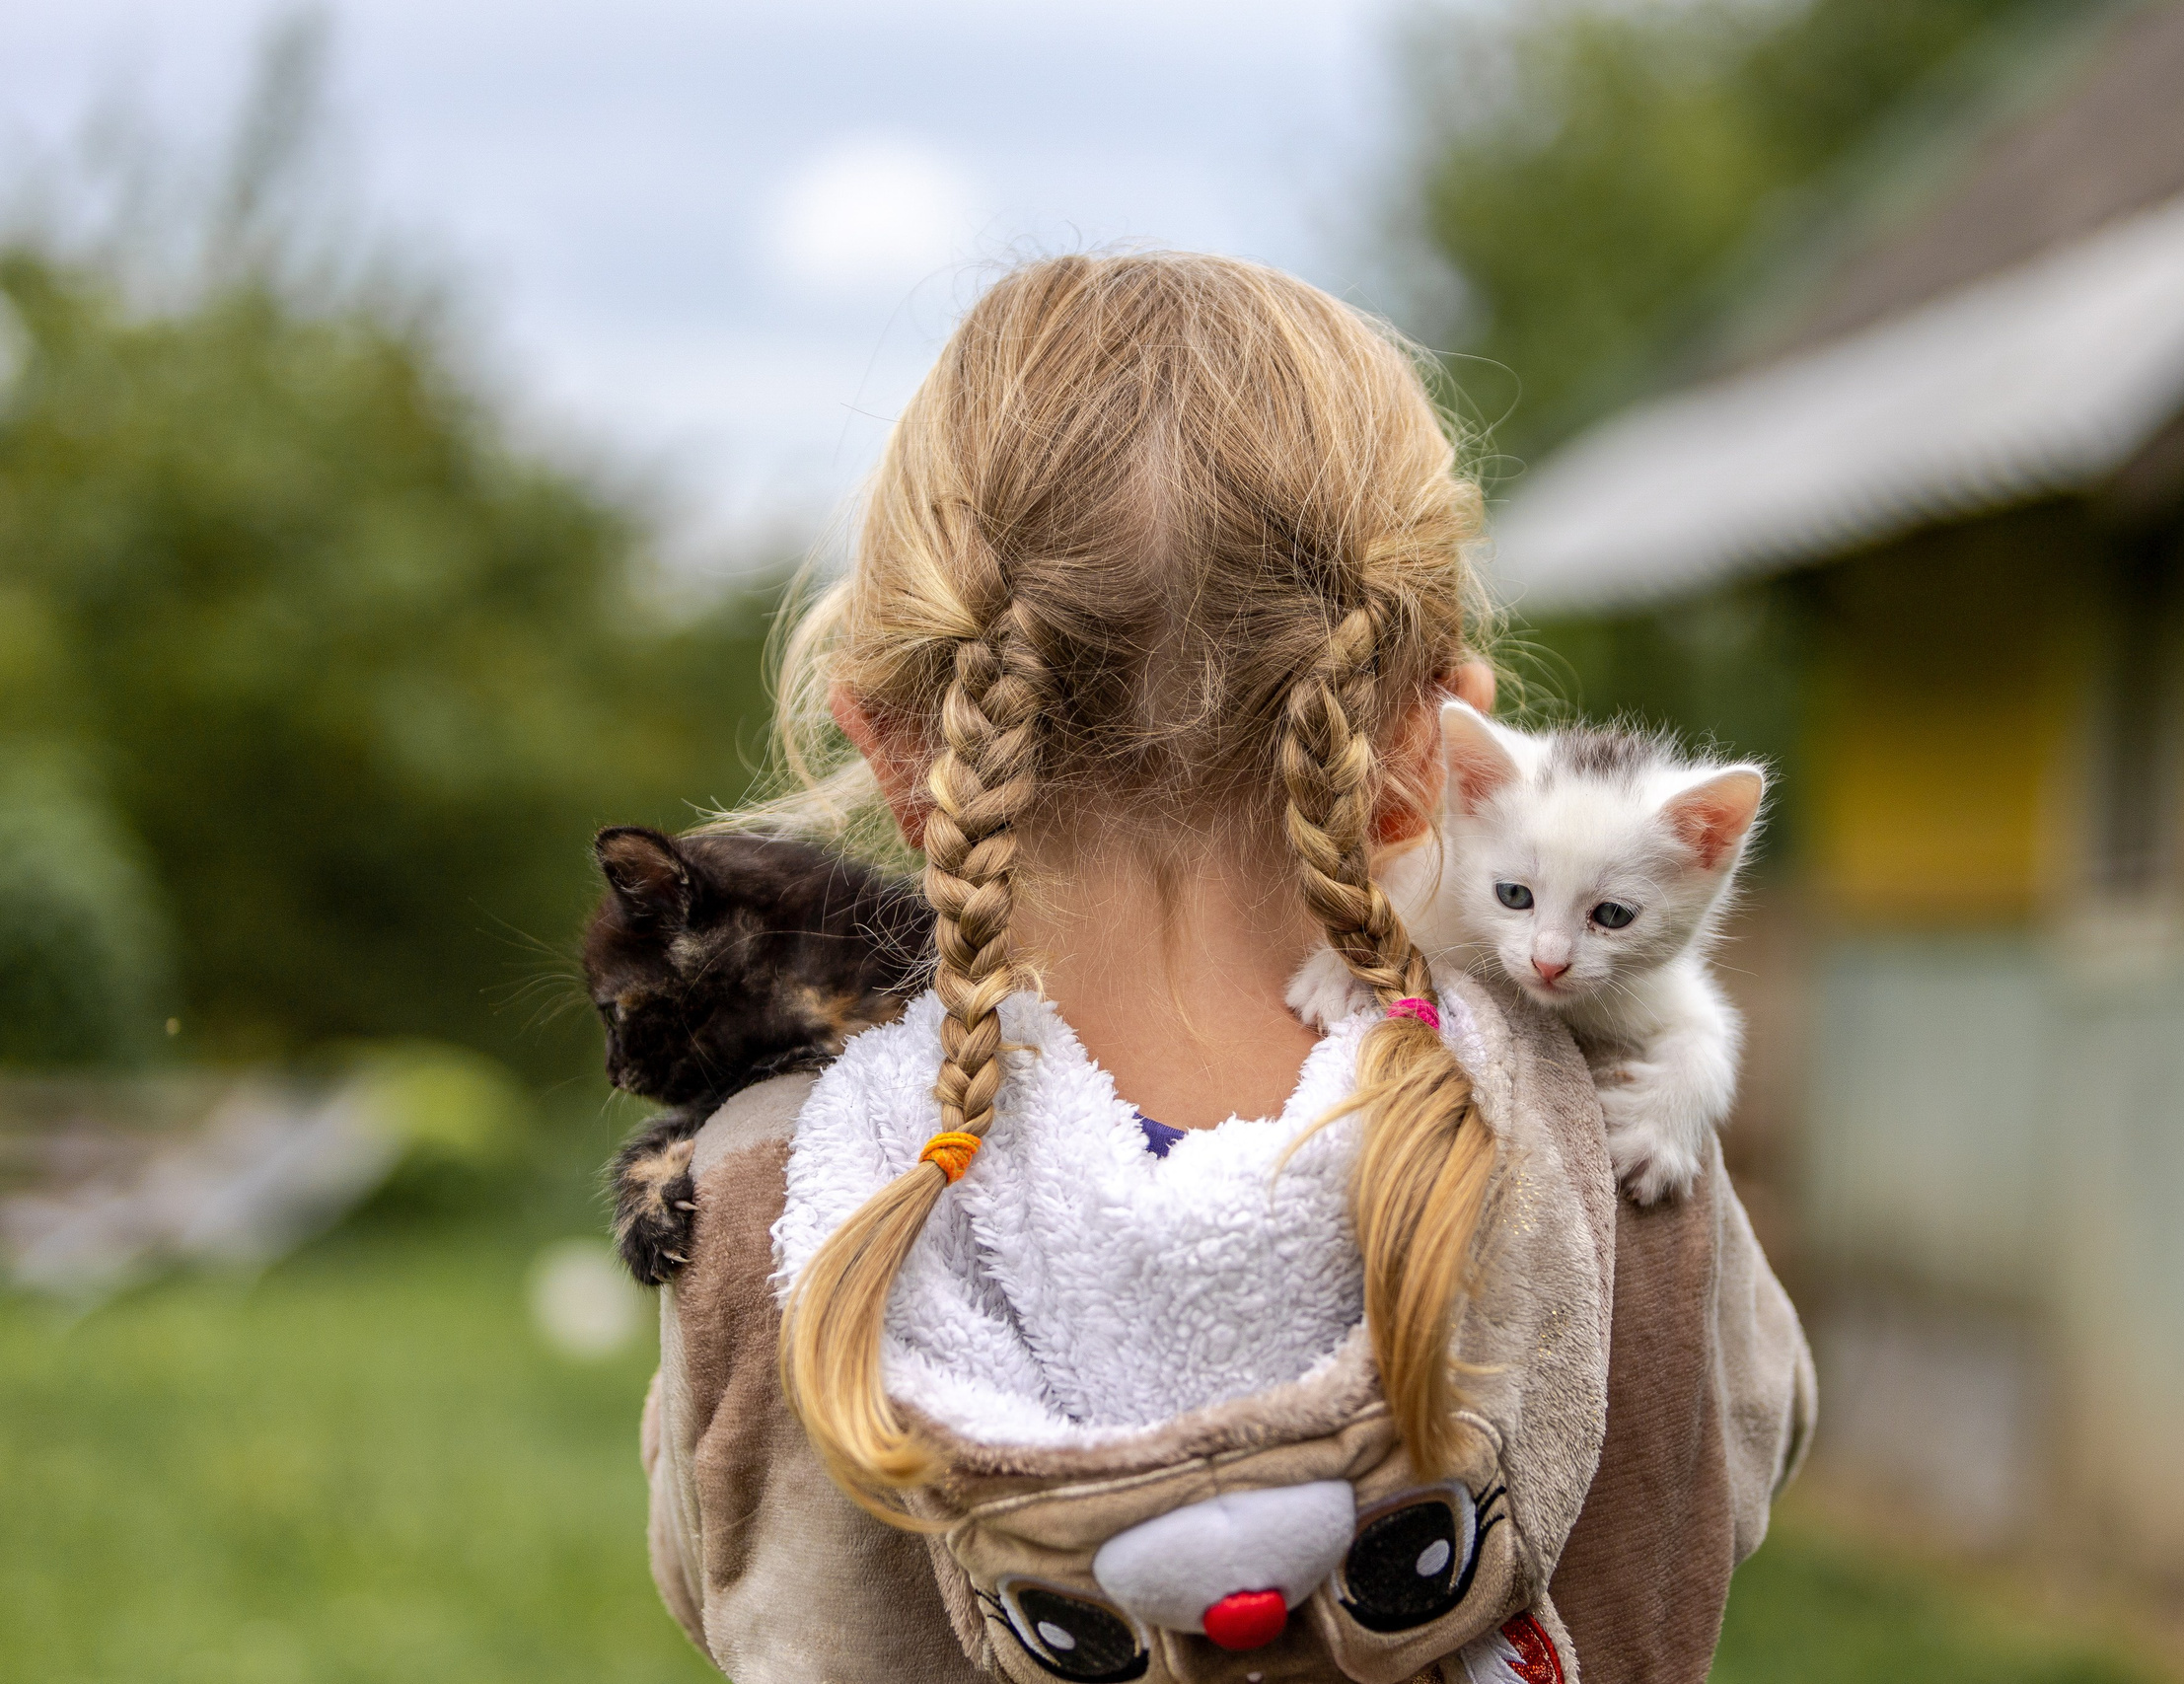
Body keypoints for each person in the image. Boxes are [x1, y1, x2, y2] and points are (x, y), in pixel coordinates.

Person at [642, 252, 1813, 1683]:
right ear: (1430, 753)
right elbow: (1748, 1447)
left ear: (899, 754)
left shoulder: (765, 1214)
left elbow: (715, 1568)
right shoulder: (1629, 1166)